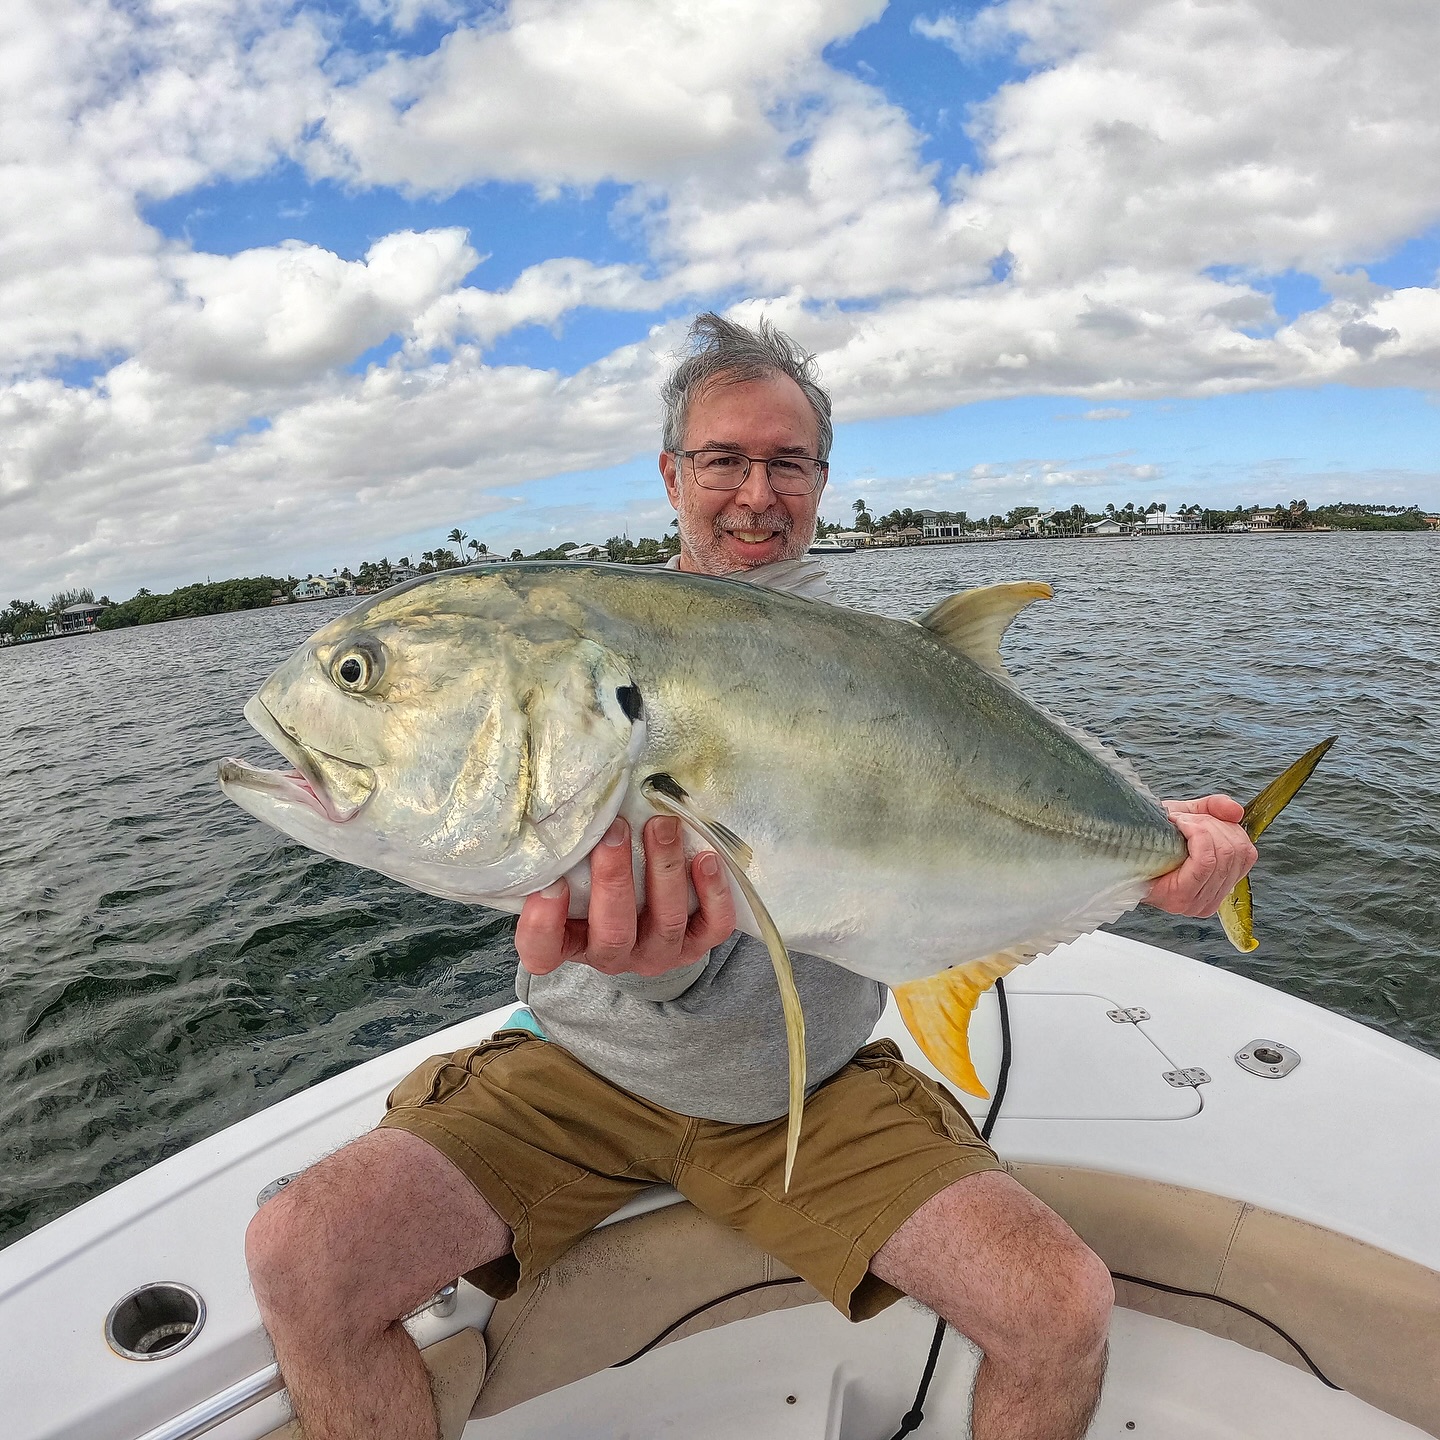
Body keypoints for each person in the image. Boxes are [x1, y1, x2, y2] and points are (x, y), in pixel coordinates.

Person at [245, 314, 1258, 1440]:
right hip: (575, 1078)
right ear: (671, 474)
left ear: (823, 480)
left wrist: (1166, 852)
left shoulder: (892, 672)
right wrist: (654, 970)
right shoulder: (599, 643)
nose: (756, 494)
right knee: (303, 1254)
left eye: (789, 463)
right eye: (724, 459)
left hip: (810, 1089)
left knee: (1061, 1306)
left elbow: (999, 817)